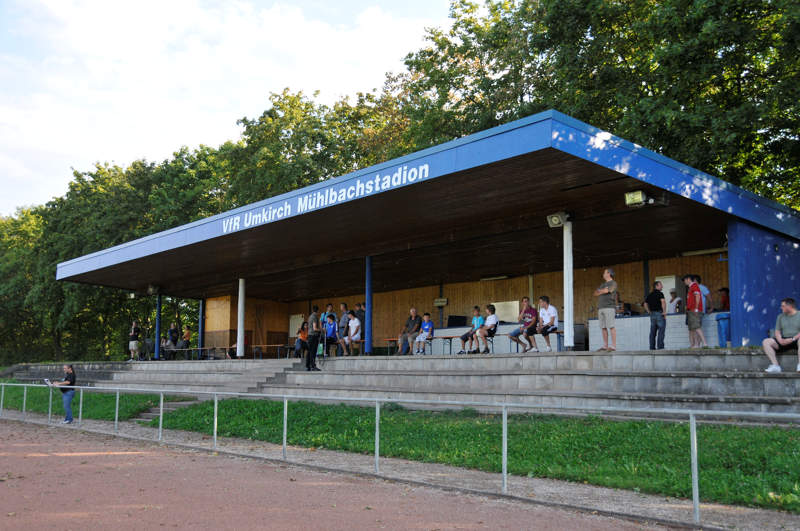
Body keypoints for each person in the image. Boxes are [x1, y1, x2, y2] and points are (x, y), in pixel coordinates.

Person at [762, 298, 800, 373]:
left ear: (789, 306)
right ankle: (775, 366)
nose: (781, 307)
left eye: (783, 306)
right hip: (784, 340)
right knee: (766, 342)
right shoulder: (780, 316)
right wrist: (780, 341)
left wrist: (792, 339)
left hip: (796, 339)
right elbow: (777, 331)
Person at [593, 268, 618, 351]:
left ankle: (613, 346)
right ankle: (605, 346)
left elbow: (607, 291)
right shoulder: (602, 284)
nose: (603, 274)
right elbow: (595, 293)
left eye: (604, 273)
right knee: (603, 327)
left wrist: (600, 291)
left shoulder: (613, 283)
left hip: (609, 307)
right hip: (601, 307)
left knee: (611, 326)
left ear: (609, 274)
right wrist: (602, 290)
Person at [684, 275, 707, 347]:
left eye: (685, 280)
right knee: (693, 328)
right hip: (691, 310)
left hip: (694, 310)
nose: (684, 282)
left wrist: (696, 308)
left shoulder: (694, 285)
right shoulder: (691, 287)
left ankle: (705, 343)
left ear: (688, 279)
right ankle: (696, 345)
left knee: (696, 327)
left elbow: (697, 296)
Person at [644, 281, 667, 350]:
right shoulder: (660, 293)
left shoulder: (650, 295)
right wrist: (664, 312)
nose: (662, 286)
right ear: (656, 286)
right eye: (661, 285)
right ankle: (660, 347)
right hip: (659, 313)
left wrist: (649, 311)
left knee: (653, 332)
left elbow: (645, 304)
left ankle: (652, 347)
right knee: (661, 331)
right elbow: (663, 302)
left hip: (652, 314)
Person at [306, 305, 321, 371]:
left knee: (309, 351)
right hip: (314, 336)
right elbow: (315, 328)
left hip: (309, 335)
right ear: (318, 311)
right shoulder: (315, 317)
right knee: (313, 351)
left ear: (312, 310)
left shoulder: (310, 317)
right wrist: (321, 330)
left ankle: (308, 366)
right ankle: (313, 366)